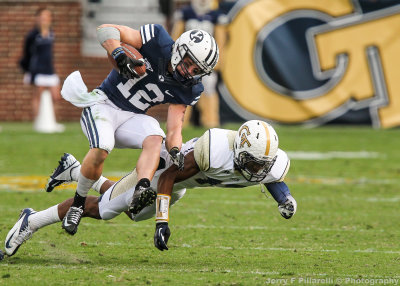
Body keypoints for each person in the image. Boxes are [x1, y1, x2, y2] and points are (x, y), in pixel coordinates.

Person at [4, 120, 297, 256]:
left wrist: (284, 199)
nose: (258, 169)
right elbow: (168, 178)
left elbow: (272, 178)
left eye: (262, 163)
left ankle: (74, 170)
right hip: (157, 171)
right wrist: (162, 221)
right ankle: (31, 220)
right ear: (239, 150)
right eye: (254, 163)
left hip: (180, 187)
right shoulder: (212, 152)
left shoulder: (265, 162)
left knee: (130, 211)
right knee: (105, 210)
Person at [56, 23, 219, 236]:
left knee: (156, 138)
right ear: (179, 50)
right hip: (103, 104)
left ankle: (141, 188)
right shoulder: (157, 40)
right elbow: (105, 30)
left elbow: (174, 131)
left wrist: (176, 151)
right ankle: (77, 204)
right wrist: (118, 53)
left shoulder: (190, 88)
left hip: (133, 116)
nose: (189, 72)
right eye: (189, 64)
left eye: (196, 71)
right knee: (102, 147)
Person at [172, 0, 228, 128]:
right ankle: (180, 122)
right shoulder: (185, 13)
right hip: (187, 61)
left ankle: (211, 121)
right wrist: (175, 56)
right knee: (184, 90)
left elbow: (221, 41)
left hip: (206, 61)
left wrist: (218, 62)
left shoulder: (216, 16)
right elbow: (176, 37)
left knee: (209, 90)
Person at [19, 8, 64, 130]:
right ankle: (37, 122)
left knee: (56, 96)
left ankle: (53, 122)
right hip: (37, 70)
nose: (45, 20)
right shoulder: (32, 35)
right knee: (37, 96)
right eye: (43, 17)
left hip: (50, 70)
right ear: (37, 18)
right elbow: (27, 54)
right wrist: (28, 71)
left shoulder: (51, 33)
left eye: (48, 17)